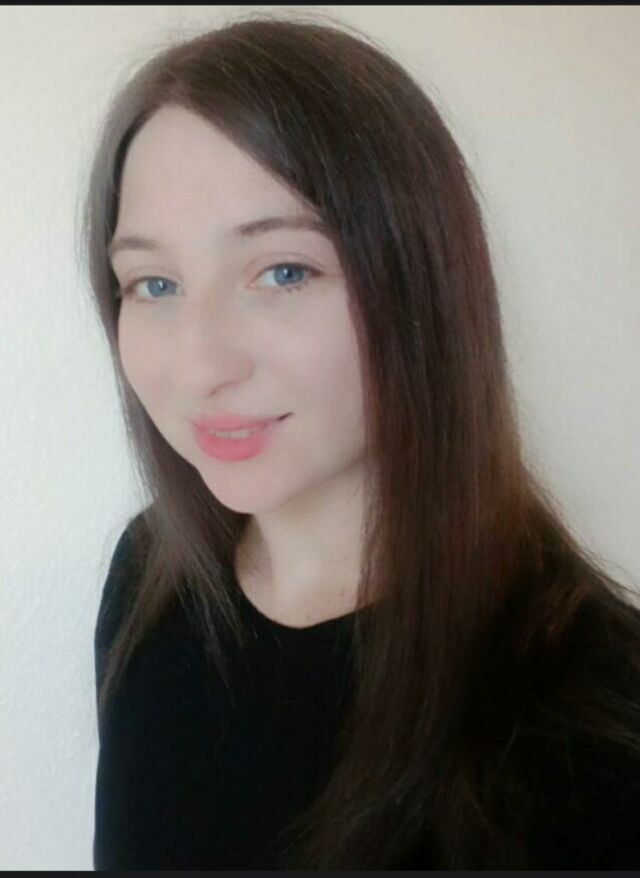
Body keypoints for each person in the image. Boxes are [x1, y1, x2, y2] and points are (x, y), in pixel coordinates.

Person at [81, 10, 640, 871]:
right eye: (154, 283)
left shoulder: (599, 726)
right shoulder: (151, 579)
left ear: (422, 285)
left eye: (284, 271)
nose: (200, 366)